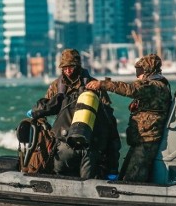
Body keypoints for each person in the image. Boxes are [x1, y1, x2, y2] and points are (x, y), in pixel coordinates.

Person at [29, 48, 120, 179]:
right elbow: (46, 107)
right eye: (65, 67)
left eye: (71, 67)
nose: (68, 71)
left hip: (89, 141)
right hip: (64, 140)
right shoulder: (57, 86)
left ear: (77, 65)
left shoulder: (94, 85)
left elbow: (108, 119)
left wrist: (111, 162)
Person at [86, 54, 171, 183]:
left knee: (133, 180)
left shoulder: (154, 86)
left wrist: (103, 84)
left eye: (140, 71)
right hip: (142, 138)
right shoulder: (157, 86)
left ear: (148, 70)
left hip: (147, 140)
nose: (138, 75)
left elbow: (131, 89)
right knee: (124, 177)